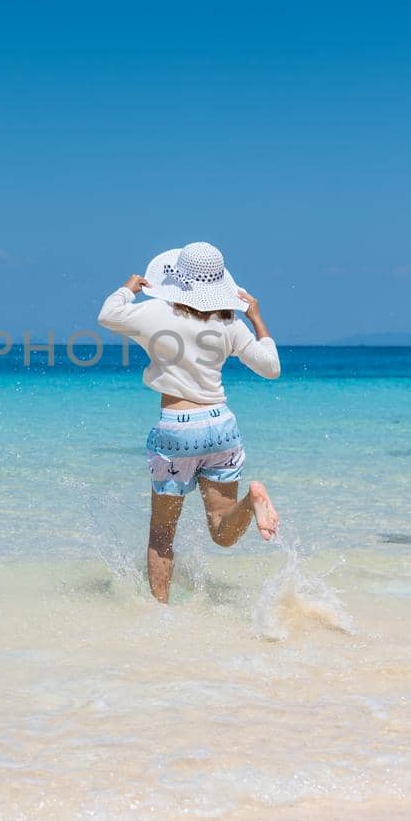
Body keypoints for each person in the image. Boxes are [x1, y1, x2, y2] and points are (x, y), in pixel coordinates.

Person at [98, 241, 281, 603]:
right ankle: (251, 501)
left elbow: (107, 315)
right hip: (222, 426)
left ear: (176, 280)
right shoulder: (229, 324)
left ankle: (161, 616)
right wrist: (256, 317)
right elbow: (271, 369)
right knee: (222, 531)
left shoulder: (155, 315)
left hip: (178, 428)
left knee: (162, 535)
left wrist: (127, 289)